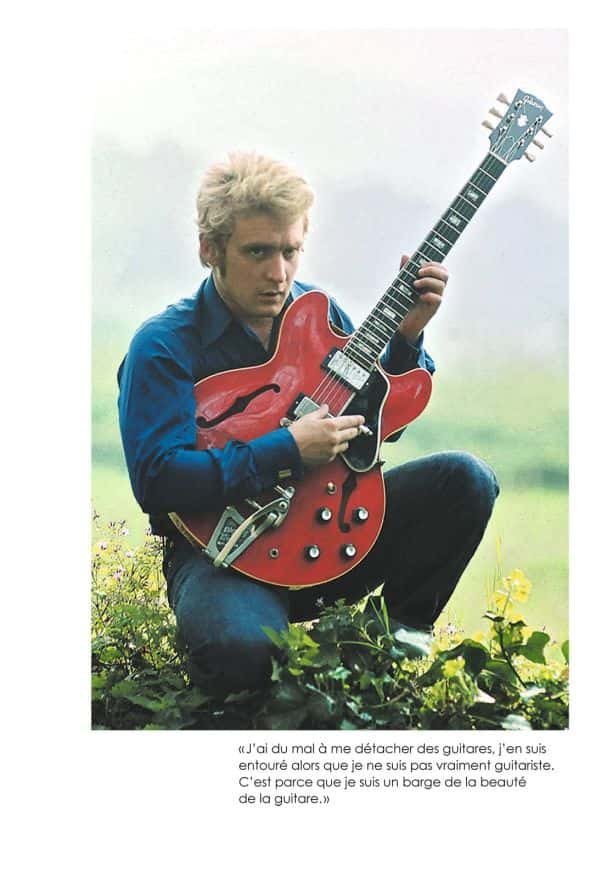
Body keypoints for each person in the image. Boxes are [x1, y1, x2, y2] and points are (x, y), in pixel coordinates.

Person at [117, 151, 499, 696]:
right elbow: (158, 482)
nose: (278, 274)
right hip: (224, 556)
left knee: (466, 480)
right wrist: (288, 449)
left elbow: (383, 423)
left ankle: (383, 657)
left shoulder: (319, 314)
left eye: (290, 251)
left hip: (337, 530)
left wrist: (407, 338)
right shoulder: (162, 346)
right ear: (209, 250)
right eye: (257, 252)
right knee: (242, 649)